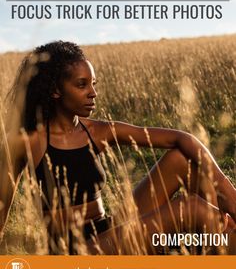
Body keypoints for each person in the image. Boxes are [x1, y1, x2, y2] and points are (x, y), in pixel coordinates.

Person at [0, 40, 235, 255]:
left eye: (93, 84)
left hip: (110, 232)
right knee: (193, 208)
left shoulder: (96, 131)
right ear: (55, 90)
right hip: (75, 251)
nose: (93, 93)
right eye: (82, 85)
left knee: (181, 161)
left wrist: (227, 191)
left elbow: (181, 139)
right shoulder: (26, 141)